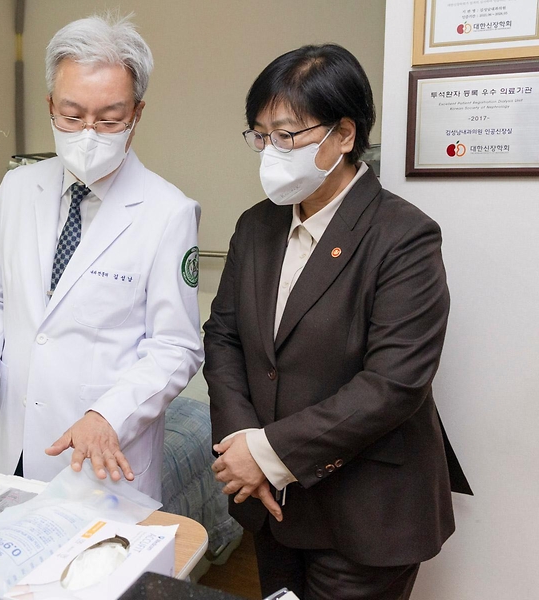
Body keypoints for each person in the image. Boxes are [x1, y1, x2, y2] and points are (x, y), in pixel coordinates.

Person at [205, 44, 471, 599]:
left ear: (344, 135)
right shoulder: (256, 226)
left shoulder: (403, 235)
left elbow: (394, 383)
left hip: (365, 510)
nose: (271, 152)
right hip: (271, 503)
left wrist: (267, 453)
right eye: (261, 136)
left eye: (287, 135)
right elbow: (224, 336)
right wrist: (240, 441)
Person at [0, 14, 203, 500]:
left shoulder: (168, 212)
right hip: (14, 444)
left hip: (103, 456)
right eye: (71, 116)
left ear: (136, 114)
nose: (89, 133)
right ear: (50, 106)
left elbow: (176, 347)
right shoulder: (18, 188)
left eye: (109, 119)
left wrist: (108, 415)